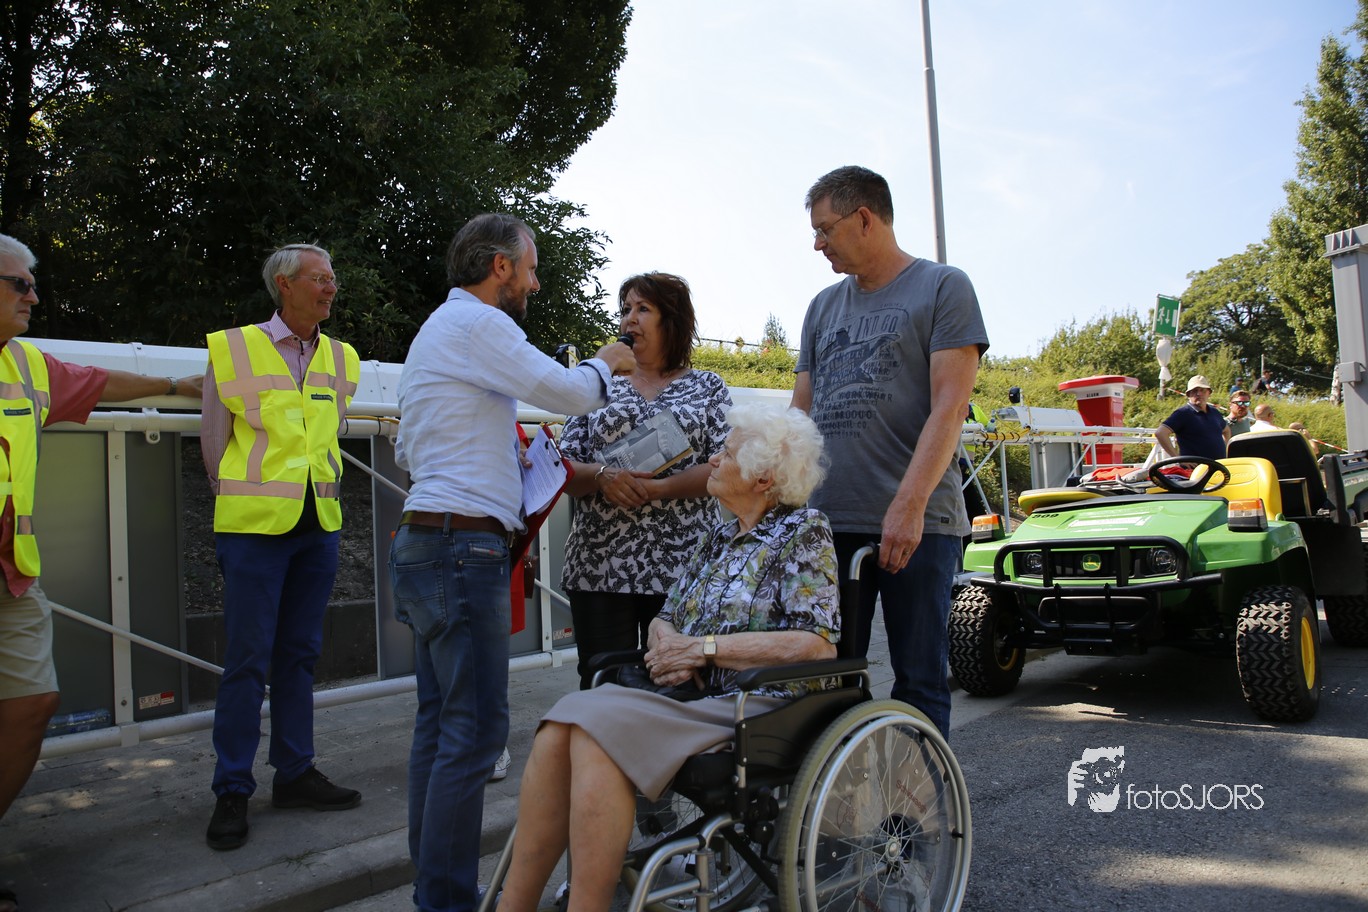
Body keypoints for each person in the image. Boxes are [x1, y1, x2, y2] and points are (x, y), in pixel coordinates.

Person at [497, 403, 839, 912]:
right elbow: (666, 614)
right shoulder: (719, 535)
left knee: (593, 733)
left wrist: (702, 650)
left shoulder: (803, 531)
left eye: (727, 454)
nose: (714, 459)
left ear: (763, 478)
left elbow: (816, 644)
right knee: (559, 726)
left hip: (756, 705)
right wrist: (668, 645)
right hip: (691, 695)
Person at [388, 213, 635, 912]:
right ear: (499, 266)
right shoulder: (480, 325)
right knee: (473, 733)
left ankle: (435, 890)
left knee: (439, 726)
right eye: (529, 269)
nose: (534, 283)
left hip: (425, 540)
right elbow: (570, 392)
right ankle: (446, 900)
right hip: (461, 548)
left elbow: (410, 449)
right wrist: (606, 361)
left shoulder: (435, 333)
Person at [0, 234, 203, 911]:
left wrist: (173, 385)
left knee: (32, 705)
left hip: (12, 577)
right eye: (20, 284)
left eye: (33, 284)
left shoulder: (24, 365)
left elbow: (93, 381)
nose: (34, 296)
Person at [790, 165, 988, 740]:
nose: (818, 244)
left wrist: (909, 503)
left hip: (919, 522)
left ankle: (917, 798)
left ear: (864, 219)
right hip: (829, 523)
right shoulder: (821, 307)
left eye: (825, 229)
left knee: (919, 681)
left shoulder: (943, 287)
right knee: (828, 679)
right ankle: (844, 794)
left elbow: (950, 406)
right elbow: (800, 413)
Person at [200, 243, 362, 851]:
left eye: (332, 277)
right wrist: (244, 502)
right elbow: (214, 443)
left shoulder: (342, 357)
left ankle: (294, 772)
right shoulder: (234, 348)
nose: (331, 287)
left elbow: (327, 437)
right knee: (247, 659)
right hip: (252, 529)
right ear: (285, 284)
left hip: (317, 524)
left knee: (299, 653)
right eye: (320, 278)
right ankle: (232, 789)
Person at [559, 272, 731, 689]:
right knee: (604, 684)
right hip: (601, 567)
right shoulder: (597, 383)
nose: (629, 319)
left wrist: (661, 489)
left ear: (672, 319)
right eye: (625, 310)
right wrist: (602, 476)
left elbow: (726, 463)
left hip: (685, 567)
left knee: (680, 684)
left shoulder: (707, 386)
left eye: (643, 309)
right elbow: (561, 466)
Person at [1154, 375, 1228, 460]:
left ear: (1209, 393)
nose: (1199, 394)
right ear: (1188, 394)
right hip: (1196, 467)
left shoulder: (1214, 412)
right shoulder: (1183, 413)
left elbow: (1227, 430)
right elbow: (1160, 433)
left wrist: (1225, 449)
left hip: (1218, 465)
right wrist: (1179, 458)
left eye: (1202, 390)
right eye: (1195, 391)